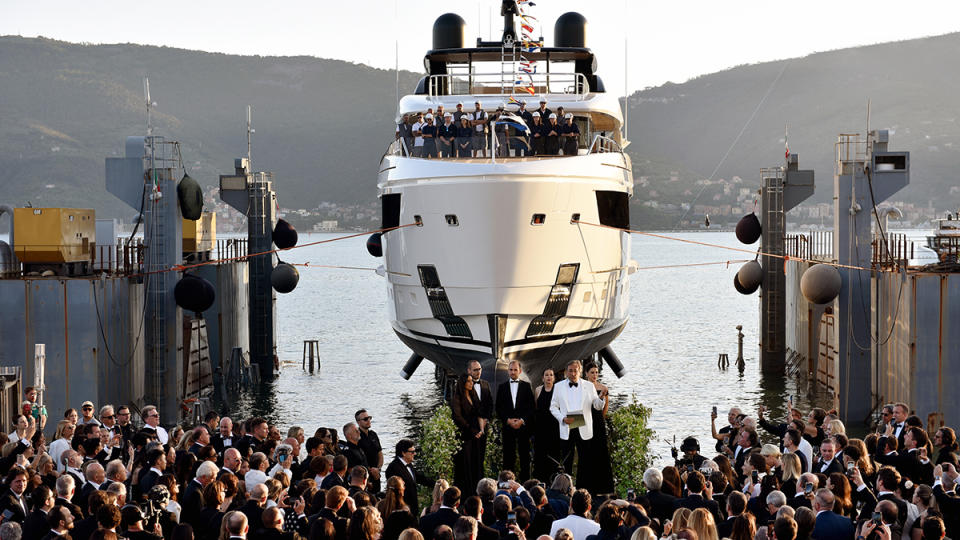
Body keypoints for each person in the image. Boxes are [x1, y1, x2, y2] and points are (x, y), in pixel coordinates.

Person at [549, 360, 604, 490]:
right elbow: (553, 407)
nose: (573, 373)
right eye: (570, 370)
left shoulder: (589, 386)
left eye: (575, 370)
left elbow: (596, 405)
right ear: (566, 372)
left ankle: (583, 489)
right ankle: (566, 489)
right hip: (567, 426)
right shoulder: (558, 386)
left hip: (583, 426)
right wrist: (562, 418)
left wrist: (601, 398)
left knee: (584, 460)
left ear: (580, 371)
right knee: (567, 460)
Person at [496, 361, 535, 481]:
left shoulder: (526, 386)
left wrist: (522, 420)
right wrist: (508, 421)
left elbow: (531, 407)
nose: (513, 372)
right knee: (508, 457)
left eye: (515, 370)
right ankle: (507, 483)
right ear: (508, 371)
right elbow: (498, 407)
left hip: (523, 427)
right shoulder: (502, 387)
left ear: (520, 371)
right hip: (508, 427)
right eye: (511, 370)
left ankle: (525, 484)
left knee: (525, 457)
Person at [583, 363, 614, 495]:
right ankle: (587, 486)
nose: (595, 375)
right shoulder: (583, 386)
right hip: (586, 421)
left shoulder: (603, 388)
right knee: (587, 452)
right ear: (586, 374)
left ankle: (603, 487)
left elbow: (605, 408)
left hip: (598, 422)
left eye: (596, 372)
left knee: (601, 452)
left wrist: (600, 421)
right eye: (592, 372)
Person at [451, 376, 483, 497]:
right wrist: (472, 429)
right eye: (468, 381)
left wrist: (481, 429)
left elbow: (479, 412)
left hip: (476, 435)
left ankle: (477, 491)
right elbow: (458, 417)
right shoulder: (457, 398)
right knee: (466, 464)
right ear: (463, 383)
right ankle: (466, 494)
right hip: (465, 436)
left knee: (476, 462)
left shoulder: (473, 395)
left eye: (471, 381)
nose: (471, 383)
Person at [385, 440, 431, 518]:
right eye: (412, 452)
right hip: (403, 511)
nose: (415, 454)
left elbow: (420, 478)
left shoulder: (408, 464)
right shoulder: (393, 468)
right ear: (403, 453)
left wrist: (436, 484)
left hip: (413, 509)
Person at [533, 369, 560, 482]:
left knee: (553, 455)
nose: (549, 377)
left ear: (554, 378)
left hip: (554, 428)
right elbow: (535, 408)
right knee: (540, 455)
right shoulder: (538, 390)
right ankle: (539, 481)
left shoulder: (558, 390)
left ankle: (553, 481)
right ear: (542, 378)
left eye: (551, 375)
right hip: (541, 428)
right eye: (546, 375)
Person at [355, 410, 383, 494]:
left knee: (377, 495)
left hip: (376, 473)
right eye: (365, 419)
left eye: (369, 418)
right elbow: (358, 458)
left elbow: (380, 453)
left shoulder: (373, 434)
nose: (369, 421)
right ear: (358, 422)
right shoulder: (357, 437)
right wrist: (370, 471)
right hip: (365, 475)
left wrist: (378, 469)